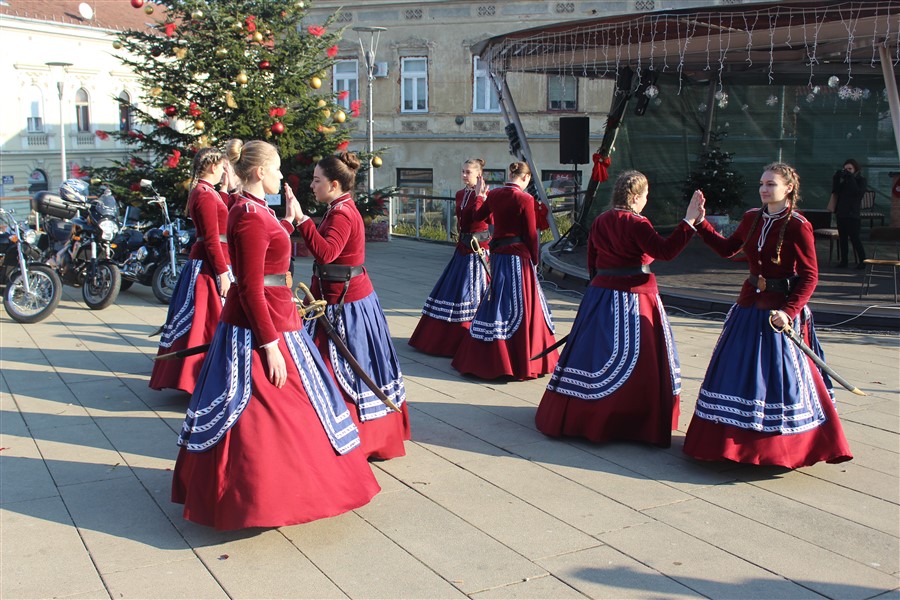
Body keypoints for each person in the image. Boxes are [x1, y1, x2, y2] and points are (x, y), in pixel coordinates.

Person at [172, 140, 380, 530]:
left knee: (295, 410)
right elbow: (250, 287)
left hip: (278, 316)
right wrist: (269, 346)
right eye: (278, 169)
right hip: (262, 325)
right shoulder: (249, 214)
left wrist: (289, 220)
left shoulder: (254, 210)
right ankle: (264, 494)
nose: (283, 176)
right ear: (259, 173)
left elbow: (268, 248)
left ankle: (286, 487)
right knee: (273, 414)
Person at [683, 162, 853, 468]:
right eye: (762, 183)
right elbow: (728, 250)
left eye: (771, 184)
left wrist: (789, 312)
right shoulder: (751, 217)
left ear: (788, 188)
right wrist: (701, 224)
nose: (764, 188)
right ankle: (726, 444)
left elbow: (810, 276)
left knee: (781, 378)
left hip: (779, 311)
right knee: (735, 372)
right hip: (749, 306)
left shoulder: (799, 225)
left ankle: (778, 448)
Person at [535, 171, 706, 447]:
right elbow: (665, 252)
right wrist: (688, 221)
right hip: (634, 296)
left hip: (601, 292)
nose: (646, 201)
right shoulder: (637, 222)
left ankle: (582, 411)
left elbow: (592, 261)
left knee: (592, 355)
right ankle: (627, 418)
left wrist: (597, 290)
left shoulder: (601, 220)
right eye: (646, 196)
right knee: (637, 357)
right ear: (636, 197)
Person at [287, 152, 411, 460]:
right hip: (332, 296)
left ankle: (352, 433)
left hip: (345, 304)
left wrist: (302, 219)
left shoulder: (342, 213)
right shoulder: (336, 207)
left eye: (317, 181)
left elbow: (326, 252)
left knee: (340, 366)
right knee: (323, 364)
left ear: (334, 183)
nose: (312, 186)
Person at [451, 161, 558, 380]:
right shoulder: (525, 199)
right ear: (526, 178)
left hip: (498, 255)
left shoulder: (496, 194)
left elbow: (477, 217)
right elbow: (531, 234)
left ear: (511, 174)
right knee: (523, 305)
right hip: (518, 257)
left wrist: (481, 196)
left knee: (496, 298)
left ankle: (483, 354)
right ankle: (519, 357)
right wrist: (535, 260)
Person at [150, 147, 234, 394]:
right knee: (206, 323)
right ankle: (197, 378)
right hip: (209, 267)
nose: (223, 172)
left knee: (205, 323)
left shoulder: (206, 192)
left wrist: (225, 190)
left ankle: (198, 377)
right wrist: (222, 273)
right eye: (221, 167)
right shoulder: (205, 195)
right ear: (212, 167)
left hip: (211, 263)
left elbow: (221, 218)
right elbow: (211, 238)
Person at [408, 158, 491, 356]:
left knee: (472, 293)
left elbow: (481, 219)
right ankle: (441, 339)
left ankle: (472, 337)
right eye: (462, 171)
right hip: (462, 248)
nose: (463, 175)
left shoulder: (488, 196)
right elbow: (462, 220)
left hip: (477, 250)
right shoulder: (460, 194)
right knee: (452, 289)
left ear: (479, 175)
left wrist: (481, 197)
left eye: (468, 172)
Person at [829, 158, 867, 269]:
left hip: (853, 215)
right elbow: (835, 191)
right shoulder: (844, 182)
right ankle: (844, 261)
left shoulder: (861, 180)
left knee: (855, 238)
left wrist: (850, 178)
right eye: (845, 169)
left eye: (850, 169)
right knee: (843, 239)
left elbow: (857, 192)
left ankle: (862, 261)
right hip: (841, 214)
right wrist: (836, 178)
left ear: (855, 169)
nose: (847, 171)